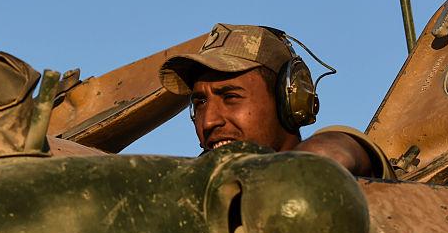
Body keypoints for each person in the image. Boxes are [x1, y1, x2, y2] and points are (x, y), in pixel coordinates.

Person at [158, 23, 393, 178]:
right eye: (200, 103)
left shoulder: (332, 159)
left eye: (230, 97)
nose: (208, 122)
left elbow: (337, 152)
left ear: (289, 99)